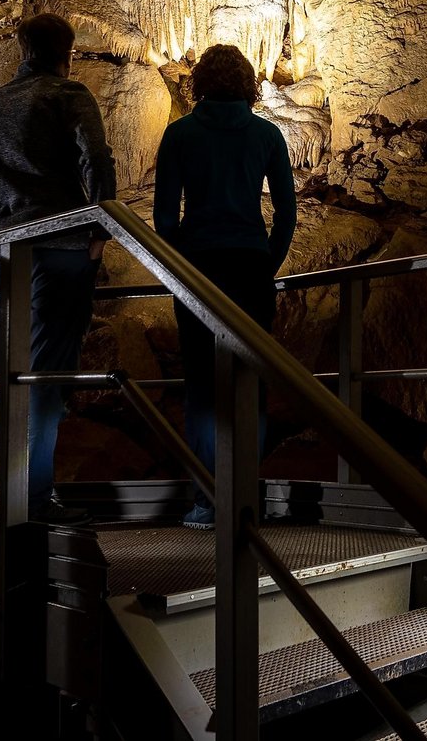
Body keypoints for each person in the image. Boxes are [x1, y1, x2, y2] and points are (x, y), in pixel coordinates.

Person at [0, 12, 116, 527]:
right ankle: (17, 500)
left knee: (19, 369)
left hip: (6, 252)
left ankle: (11, 492)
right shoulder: (67, 94)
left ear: (21, 48)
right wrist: (100, 230)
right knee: (45, 374)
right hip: (59, 244)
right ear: (66, 52)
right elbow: (96, 159)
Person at [152, 43, 297, 530]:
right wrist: (267, 262)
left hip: (198, 266)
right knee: (249, 383)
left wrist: (179, 266)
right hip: (251, 266)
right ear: (246, 84)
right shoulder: (267, 135)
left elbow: (165, 216)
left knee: (202, 386)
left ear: (201, 85)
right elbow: (286, 214)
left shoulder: (179, 135)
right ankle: (242, 494)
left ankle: (206, 499)